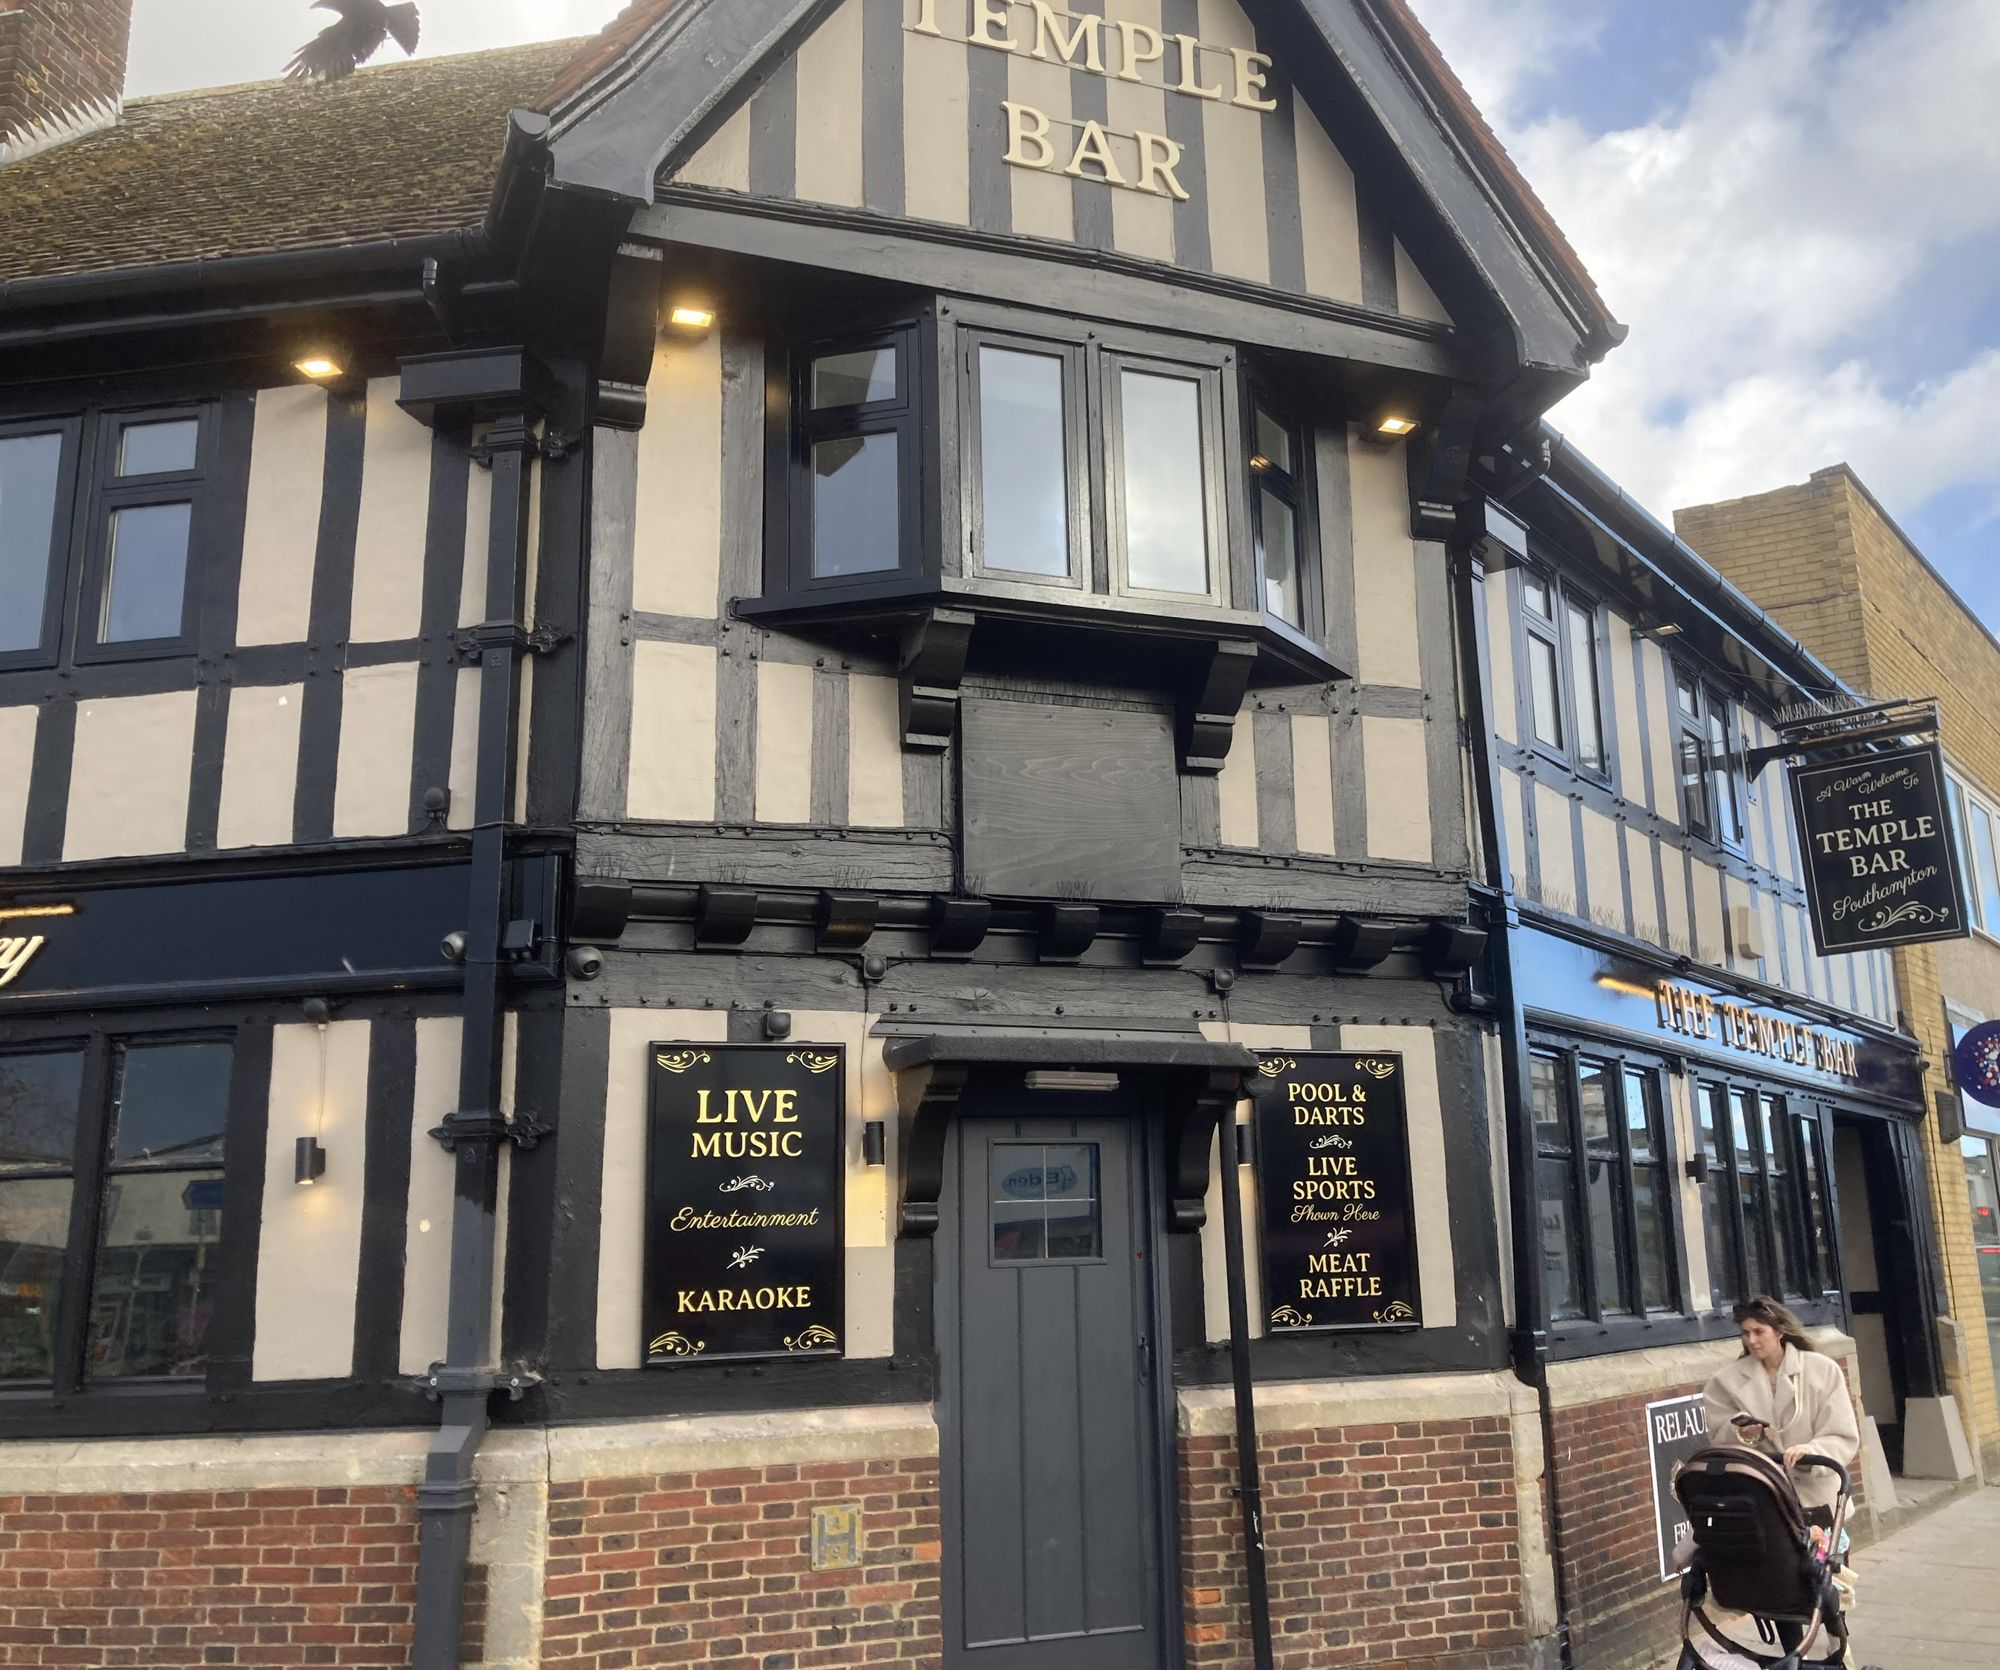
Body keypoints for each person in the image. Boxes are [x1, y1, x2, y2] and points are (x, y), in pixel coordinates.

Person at [1702, 1295, 1859, 1519]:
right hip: (1763, 1501)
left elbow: (1841, 1434)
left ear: (1779, 1331)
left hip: (1819, 1499)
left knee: (1823, 1555)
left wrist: (1811, 1451)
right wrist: (1741, 1433)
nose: (1752, 1340)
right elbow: (1718, 1440)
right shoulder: (1724, 1381)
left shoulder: (1822, 1370)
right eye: (1746, 1333)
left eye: (1759, 1332)